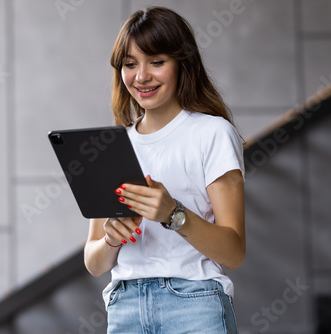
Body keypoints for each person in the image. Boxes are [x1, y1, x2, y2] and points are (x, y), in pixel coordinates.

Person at [83, 6, 245, 334]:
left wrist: (173, 213)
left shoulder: (212, 133)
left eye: (156, 62)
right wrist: (112, 240)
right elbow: (94, 261)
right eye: (130, 64)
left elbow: (234, 252)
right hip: (126, 309)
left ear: (182, 64)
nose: (141, 76)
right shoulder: (112, 145)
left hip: (195, 304)